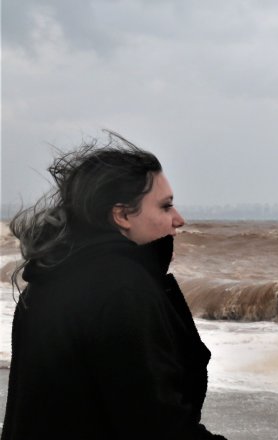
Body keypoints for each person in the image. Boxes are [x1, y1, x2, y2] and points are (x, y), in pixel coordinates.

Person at [2, 132, 225, 439]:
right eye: (165, 206)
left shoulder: (47, 280)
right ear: (121, 215)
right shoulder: (123, 289)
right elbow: (155, 425)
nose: (179, 219)